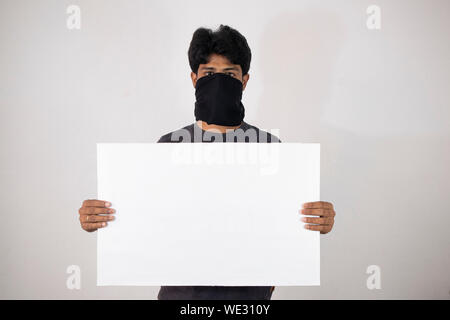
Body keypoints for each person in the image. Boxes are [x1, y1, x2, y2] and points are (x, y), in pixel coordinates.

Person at [78, 24, 336, 300]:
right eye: (209, 73)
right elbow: (144, 218)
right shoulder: (167, 147)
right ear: (194, 78)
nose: (219, 82)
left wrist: (319, 220)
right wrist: (98, 218)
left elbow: (287, 224)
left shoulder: (271, 149)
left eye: (229, 74)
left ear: (244, 80)